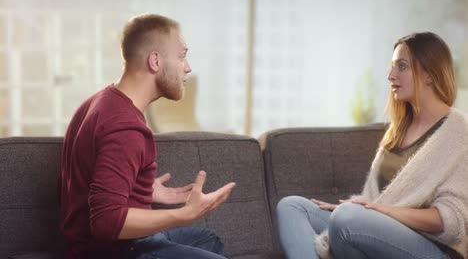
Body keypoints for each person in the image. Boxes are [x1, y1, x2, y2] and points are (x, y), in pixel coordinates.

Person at [58, 13, 236, 259]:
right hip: (114, 251)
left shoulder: (100, 101)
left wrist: (141, 190)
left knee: (207, 239)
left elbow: (93, 178)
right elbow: (105, 222)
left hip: (97, 245)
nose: (188, 67)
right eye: (182, 56)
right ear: (155, 61)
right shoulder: (125, 127)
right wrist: (182, 214)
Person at [276, 32, 468, 259]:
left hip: (432, 248)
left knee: (346, 218)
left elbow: (452, 222)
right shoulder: (399, 129)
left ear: (429, 73)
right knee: (292, 207)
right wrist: (362, 210)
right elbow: (375, 201)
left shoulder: (459, 131)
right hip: (374, 229)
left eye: (401, 67)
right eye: (392, 67)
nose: (390, 75)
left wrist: (382, 212)